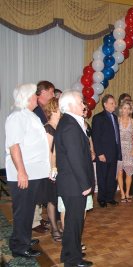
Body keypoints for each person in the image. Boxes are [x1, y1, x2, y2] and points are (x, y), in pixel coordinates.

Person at [5, 83, 50, 258]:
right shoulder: (17, 117)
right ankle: (19, 246)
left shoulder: (29, 115)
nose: (36, 97)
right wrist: (21, 172)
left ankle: (23, 238)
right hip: (25, 173)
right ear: (27, 97)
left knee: (28, 210)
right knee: (22, 211)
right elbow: (14, 146)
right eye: (34, 94)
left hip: (35, 172)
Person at [55, 90, 94, 267]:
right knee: (74, 223)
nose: (84, 104)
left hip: (72, 182)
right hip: (74, 184)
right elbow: (75, 157)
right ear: (70, 105)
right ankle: (72, 260)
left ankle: (69, 255)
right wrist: (85, 184)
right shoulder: (70, 124)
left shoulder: (69, 122)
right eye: (80, 102)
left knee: (73, 222)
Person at [32, 80, 55, 233]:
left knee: (41, 189)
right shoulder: (35, 110)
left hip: (45, 154)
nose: (53, 95)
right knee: (35, 189)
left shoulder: (44, 108)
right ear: (44, 92)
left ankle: (39, 218)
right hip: (37, 155)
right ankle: (34, 222)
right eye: (52, 92)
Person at [92, 94, 122, 207]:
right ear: (105, 104)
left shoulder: (114, 117)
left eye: (114, 103)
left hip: (114, 152)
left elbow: (116, 136)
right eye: (112, 103)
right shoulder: (98, 118)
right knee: (102, 176)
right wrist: (99, 153)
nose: (115, 105)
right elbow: (96, 137)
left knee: (111, 177)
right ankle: (102, 198)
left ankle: (110, 197)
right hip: (103, 153)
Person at [42, 97, 63, 242]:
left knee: (58, 198)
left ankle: (59, 224)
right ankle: (54, 228)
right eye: (59, 107)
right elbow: (48, 151)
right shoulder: (48, 127)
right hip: (52, 169)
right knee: (52, 199)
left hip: (61, 167)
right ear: (54, 109)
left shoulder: (60, 126)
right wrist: (52, 169)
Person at [118, 93, 133, 197]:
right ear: (121, 109)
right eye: (124, 108)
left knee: (129, 172)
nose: (126, 110)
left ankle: (127, 193)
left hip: (130, 149)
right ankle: (122, 193)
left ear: (130, 110)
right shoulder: (116, 120)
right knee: (119, 172)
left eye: (128, 108)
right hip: (119, 149)